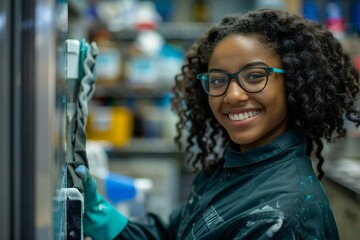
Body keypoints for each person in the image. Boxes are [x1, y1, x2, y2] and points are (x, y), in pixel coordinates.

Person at [75, 8, 360, 240]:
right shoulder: (231, 168)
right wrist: (98, 215)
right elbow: (171, 235)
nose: (233, 95)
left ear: (293, 82)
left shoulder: (282, 218)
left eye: (255, 76)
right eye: (218, 80)